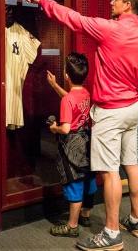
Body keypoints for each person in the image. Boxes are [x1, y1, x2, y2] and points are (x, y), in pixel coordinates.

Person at [24, 0, 138, 251]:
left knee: (109, 174)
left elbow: (72, 18)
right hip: (132, 109)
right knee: (131, 164)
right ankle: (137, 221)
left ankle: (111, 234)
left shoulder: (110, 29)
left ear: (127, 5)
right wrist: (136, 102)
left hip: (111, 111)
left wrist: (40, 0)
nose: (111, 3)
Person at [46, 52, 97, 238]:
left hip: (72, 145)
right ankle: (85, 215)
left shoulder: (67, 100)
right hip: (87, 141)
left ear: (66, 75)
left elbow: (66, 128)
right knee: (89, 178)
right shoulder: (85, 93)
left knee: (74, 180)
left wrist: (54, 128)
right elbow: (71, 100)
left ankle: (72, 226)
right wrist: (54, 86)